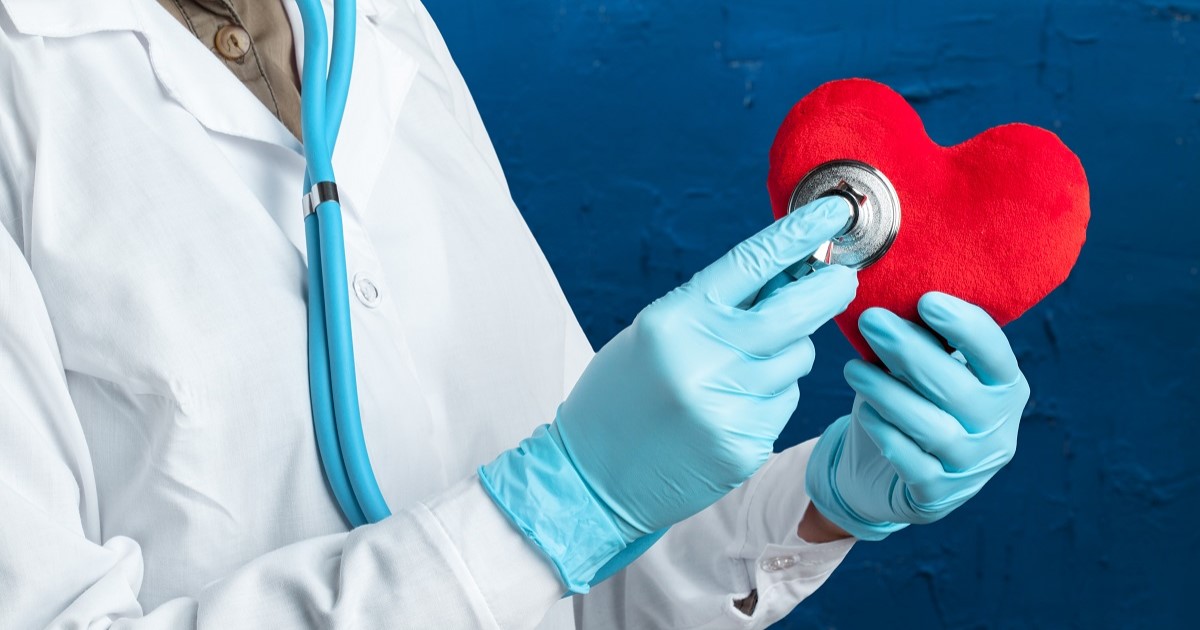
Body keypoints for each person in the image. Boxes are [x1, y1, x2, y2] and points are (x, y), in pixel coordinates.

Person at [0, 1, 1029, 628]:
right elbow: (536, 527)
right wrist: (562, 504)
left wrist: (829, 497)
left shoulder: (368, 24)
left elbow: (567, 592)